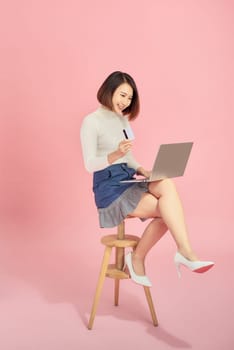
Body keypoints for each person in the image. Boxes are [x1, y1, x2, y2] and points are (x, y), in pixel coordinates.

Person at [80, 71, 214, 287]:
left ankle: (182, 251)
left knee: (166, 185)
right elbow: (89, 164)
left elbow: (129, 157)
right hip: (108, 186)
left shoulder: (122, 120)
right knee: (167, 213)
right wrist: (114, 154)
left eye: (129, 98)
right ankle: (141, 258)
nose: (125, 102)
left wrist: (144, 170)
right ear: (109, 90)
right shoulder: (91, 122)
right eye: (122, 95)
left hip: (127, 179)